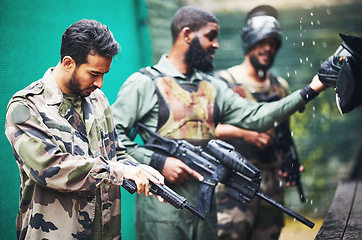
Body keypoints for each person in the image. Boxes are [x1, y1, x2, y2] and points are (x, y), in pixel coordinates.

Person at [111, 6, 330, 240]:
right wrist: (158, 161)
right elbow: (112, 139)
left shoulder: (213, 87)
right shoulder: (144, 83)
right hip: (161, 210)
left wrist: (312, 89)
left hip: (207, 210)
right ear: (187, 35)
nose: (216, 44)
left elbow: (257, 115)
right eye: (210, 37)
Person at [5, 19, 164, 240]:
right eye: (94, 74)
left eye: (104, 75)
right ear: (69, 63)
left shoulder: (97, 98)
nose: (100, 83)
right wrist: (118, 171)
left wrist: (139, 168)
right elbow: (48, 167)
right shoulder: (27, 106)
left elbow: (115, 154)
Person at [213, 5, 297, 240]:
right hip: (232, 184)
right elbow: (206, 131)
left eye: (273, 43)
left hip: (271, 184)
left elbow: (283, 135)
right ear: (250, 41)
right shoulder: (223, 83)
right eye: (262, 41)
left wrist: (287, 161)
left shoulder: (279, 87)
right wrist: (245, 134)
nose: (268, 48)